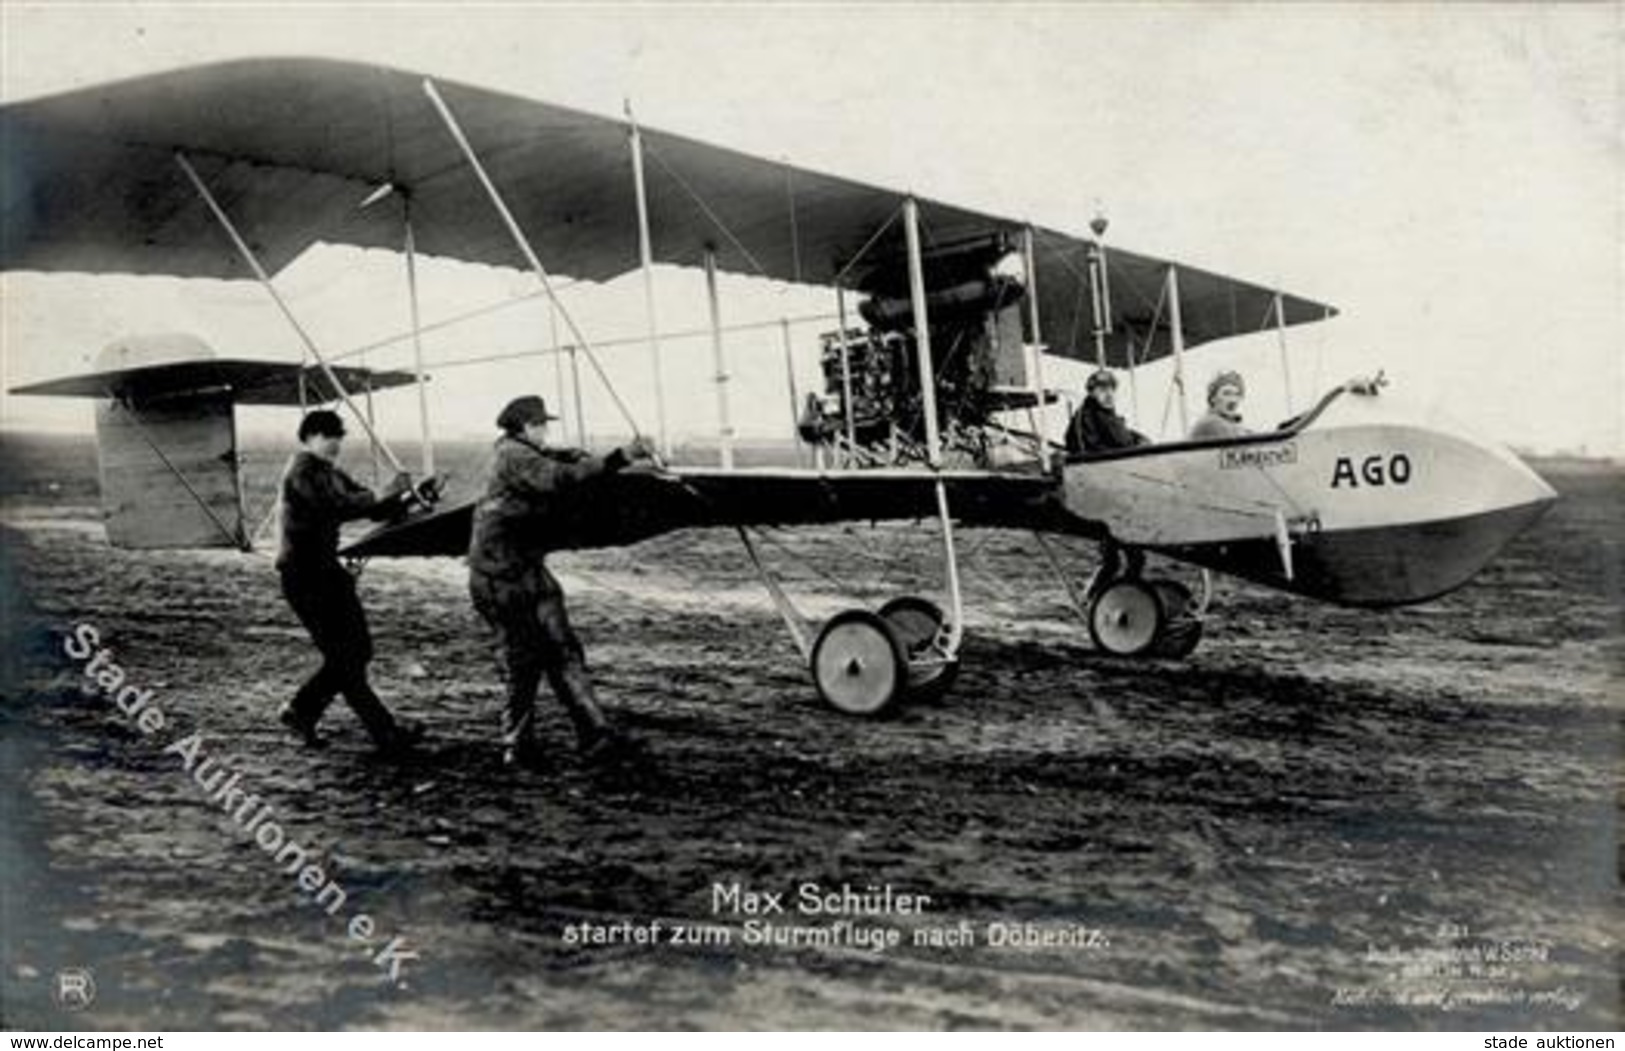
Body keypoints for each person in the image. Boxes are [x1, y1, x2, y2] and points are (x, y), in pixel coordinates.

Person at [467, 395, 654, 770]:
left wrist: (580, 457)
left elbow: (561, 461)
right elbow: (556, 478)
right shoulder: (513, 456)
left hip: (525, 568)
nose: (544, 430)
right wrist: (620, 458)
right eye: (539, 424)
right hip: (500, 577)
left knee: (564, 648)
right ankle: (517, 746)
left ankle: (596, 735)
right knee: (522, 661)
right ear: (524, 427)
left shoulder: (524, 453)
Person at [276, 410, 425, 755]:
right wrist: (386, 491)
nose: (336, 444)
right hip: (304, 575)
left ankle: (302, 711)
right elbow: (336, 506)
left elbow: (368, 506)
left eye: (339, 437)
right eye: (329, 436)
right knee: (347, 656)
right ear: (310, 436)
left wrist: (403, 500)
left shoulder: (328, 472)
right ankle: (385, 733)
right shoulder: (302, 471)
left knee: (355, 653)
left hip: (326, 573)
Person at [1065, 368, 1148, 456]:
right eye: (1103, 390)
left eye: (1111, 390)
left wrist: (1138, 439)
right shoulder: (1089, 417)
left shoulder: (1104, 416)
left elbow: (1122, 435)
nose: (1109, 395)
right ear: (1092, 393)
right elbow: (1120, 441)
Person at [1190, 370, 1250, 440]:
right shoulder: (1211, 423)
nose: (1233, 400)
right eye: (1226, 394)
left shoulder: (1230, 424)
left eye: (1236, 394)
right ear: (1213, 398)